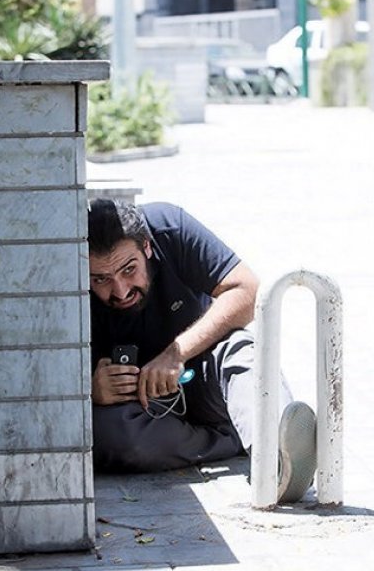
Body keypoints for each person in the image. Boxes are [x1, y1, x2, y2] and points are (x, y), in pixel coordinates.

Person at [87, 198, 316, 503]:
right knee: (107, 436)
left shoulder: (169, 226)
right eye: (100, 279)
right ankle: (235, 437)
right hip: (137, 414)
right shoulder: (60, 271)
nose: (120, 290)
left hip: (201, 379)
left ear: (147, 247)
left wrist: (176, 353)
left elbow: (247, 290)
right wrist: (87, 390)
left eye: (129, 270)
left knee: (243, 351)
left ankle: (277, 456)